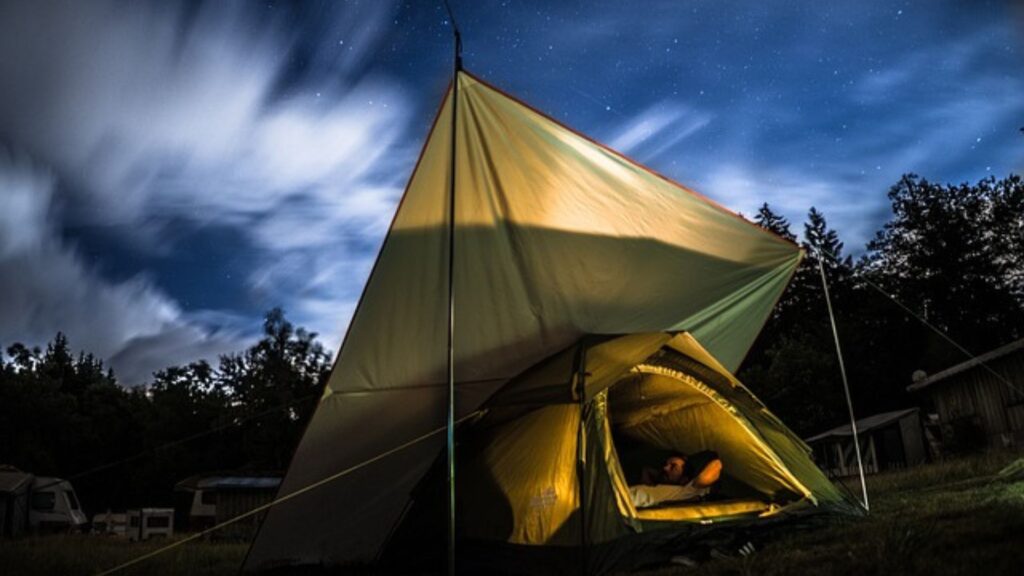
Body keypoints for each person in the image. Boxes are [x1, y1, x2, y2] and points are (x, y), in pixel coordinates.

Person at [629, 450, 722, 509]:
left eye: (673, 467)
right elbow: (646, 470)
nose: (665, 468)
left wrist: (715, 454)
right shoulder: (660, 487)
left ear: (684, 479)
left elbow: (716, 464)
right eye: (666, 464)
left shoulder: (687, 492)